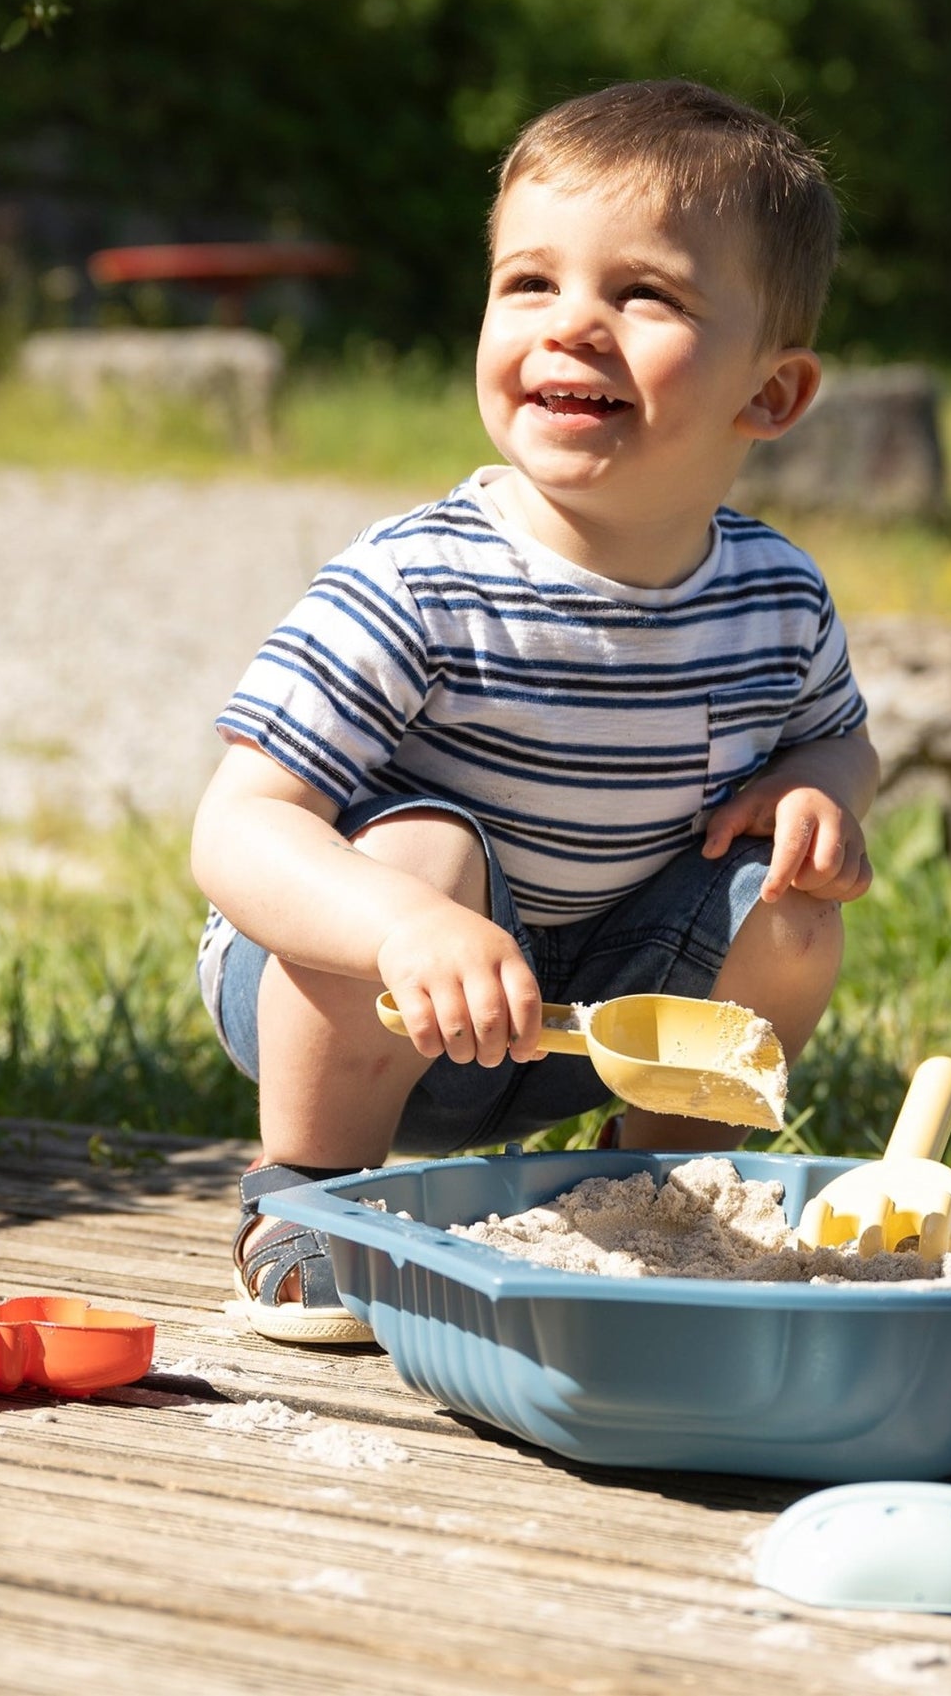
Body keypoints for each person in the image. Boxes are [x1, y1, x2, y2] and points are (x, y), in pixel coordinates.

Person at [189, 79, 878, 1342]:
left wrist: (818, 791)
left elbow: (837, 733)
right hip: (359, 998)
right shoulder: (417, 580)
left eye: (644, 293)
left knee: (787, 907)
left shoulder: (774, 596)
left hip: (588, 1011)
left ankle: (652, 1189)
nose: (573, 326)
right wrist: (398, 926)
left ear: (770, 396)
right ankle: (312, 1196)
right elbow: (239, 828)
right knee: (420, 848)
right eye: (529, 283)